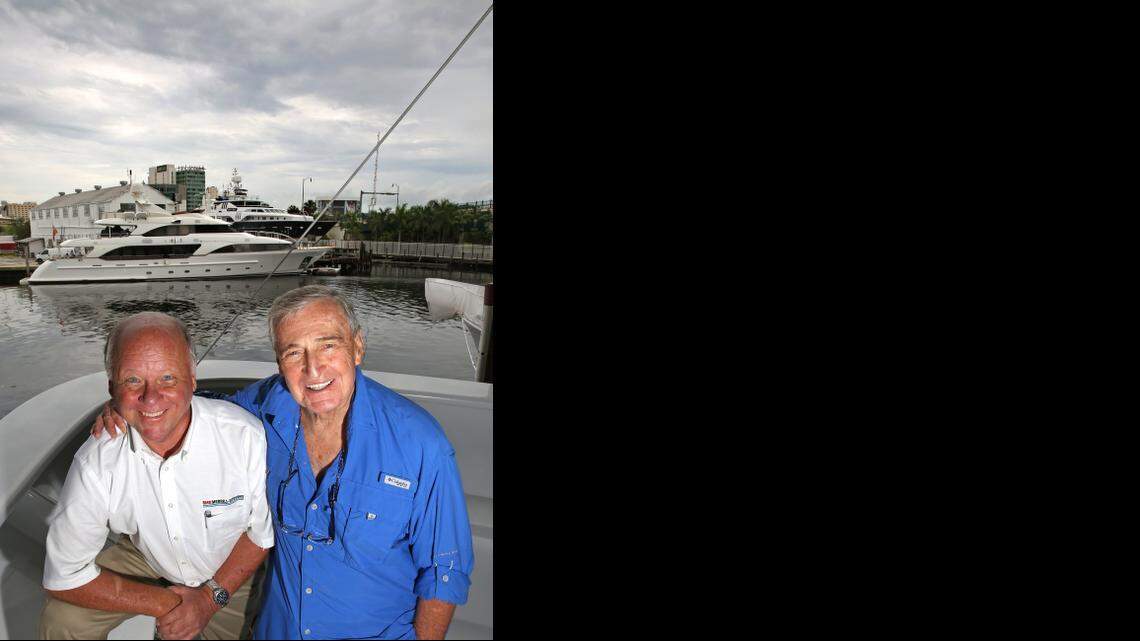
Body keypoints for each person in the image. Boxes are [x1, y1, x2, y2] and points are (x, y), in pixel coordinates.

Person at [95, 286, 474, 639]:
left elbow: (444, 573)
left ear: (357, 348)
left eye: (328, 346)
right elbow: (197, 407)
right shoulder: (264, 408)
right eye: (294, 353)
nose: (313, 369)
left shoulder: (420, 443)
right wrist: (132, 403)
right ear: (279, 363)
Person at [41, 312, 273, 640]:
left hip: (229, 574)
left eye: (167, 378)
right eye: (133, 380)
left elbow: (260, 535)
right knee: (63, 620)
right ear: (112, 388)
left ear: (192, 380)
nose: (150, 398)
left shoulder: (245, 437)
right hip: (147, 559)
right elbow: (63, 577)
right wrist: (168, 604)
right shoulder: (97, 461)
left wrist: (208, 601)